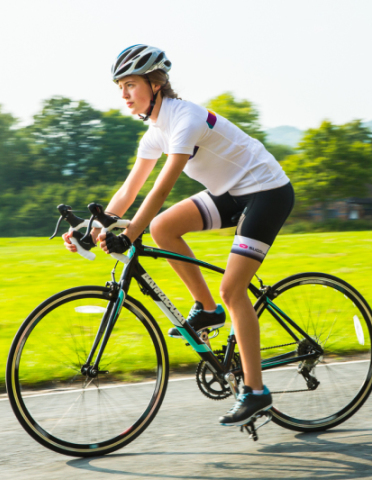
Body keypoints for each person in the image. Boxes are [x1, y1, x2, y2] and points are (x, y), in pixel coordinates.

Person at [63, 44, 294, 426]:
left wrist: (129, 232)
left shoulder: (184, 118)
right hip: (231, 193)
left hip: (266, 191)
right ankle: (206, 311)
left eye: (130, 84)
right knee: (163, 227)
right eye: (120, 86)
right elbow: (128, 191)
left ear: (155, 83)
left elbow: (163, 187)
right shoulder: (155, 133)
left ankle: (256, 391)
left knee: (234, 289)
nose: (123, 94)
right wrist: (91, 228)